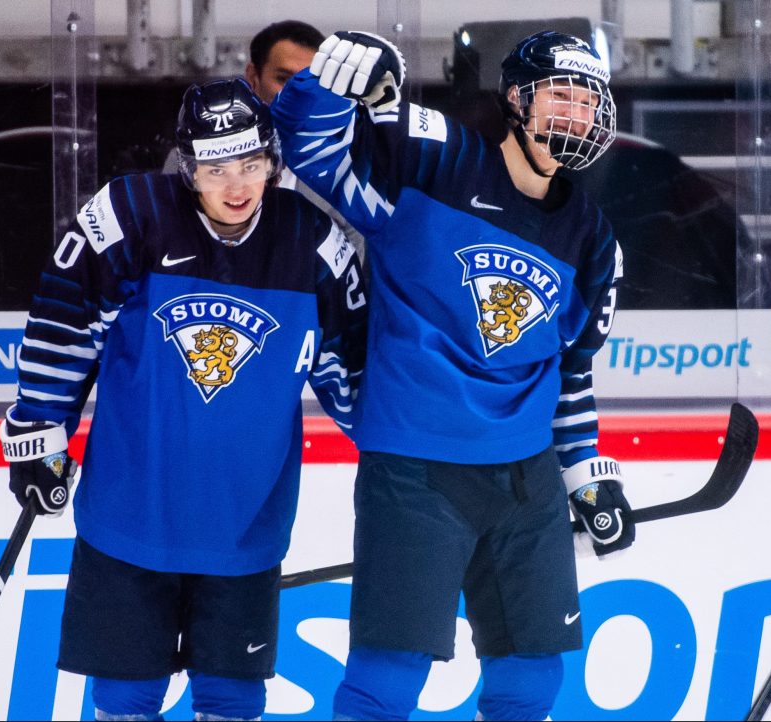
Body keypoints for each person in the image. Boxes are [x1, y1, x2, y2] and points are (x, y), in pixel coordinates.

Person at [270, 29, 634, 721]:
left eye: (589, 102)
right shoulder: (433, 159)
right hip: (415, 467)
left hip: (525, 478)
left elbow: (570, 369)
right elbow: (306, 148)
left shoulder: (592, 238)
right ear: (517, 101)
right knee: (388, 679)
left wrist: (587, 473)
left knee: (532, 679)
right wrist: (333, 79)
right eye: (561, 95)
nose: (577, 115)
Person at [0, 78, 367, 720]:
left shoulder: (310, 241)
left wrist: (420, 466)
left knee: (231, 701)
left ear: (273, 163)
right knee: (125, 700)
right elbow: (62, 321)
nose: (236, 185)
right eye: (216, 167)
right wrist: (37, 434)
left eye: (251, 164)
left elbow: (360, 372)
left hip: (245, 526)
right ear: (188, 166)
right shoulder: (132, 214)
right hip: (129, 518)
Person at [163, 20, 366, 256]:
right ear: (253, 76)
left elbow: (351, 281)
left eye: (312, 84)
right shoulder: (190, 160)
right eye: (284, 80)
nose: (298, 95)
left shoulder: (344, 177)